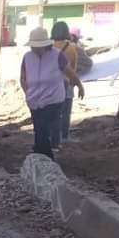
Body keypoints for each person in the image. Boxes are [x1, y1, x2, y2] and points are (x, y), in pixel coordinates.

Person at [20, 26, 84, 160]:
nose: (35, 49)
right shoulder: (27, 57)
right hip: (34, 100)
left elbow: (69, 72)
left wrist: (79, 85)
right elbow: (23, 77)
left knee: (43, 128)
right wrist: (27, 92)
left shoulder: (57, 55)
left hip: (53, 99)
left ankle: (47, 157)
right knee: (38, 129)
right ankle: (40, 155)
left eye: (38, 46)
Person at [50, 21, 79, 149]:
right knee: (66, 112)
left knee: (53, 112)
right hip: (66, 82)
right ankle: (64, 136)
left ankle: (52, 136)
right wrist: (76, 83)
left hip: (51, 84)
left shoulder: (48, 47)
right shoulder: (72, 47)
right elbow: (73, 68)